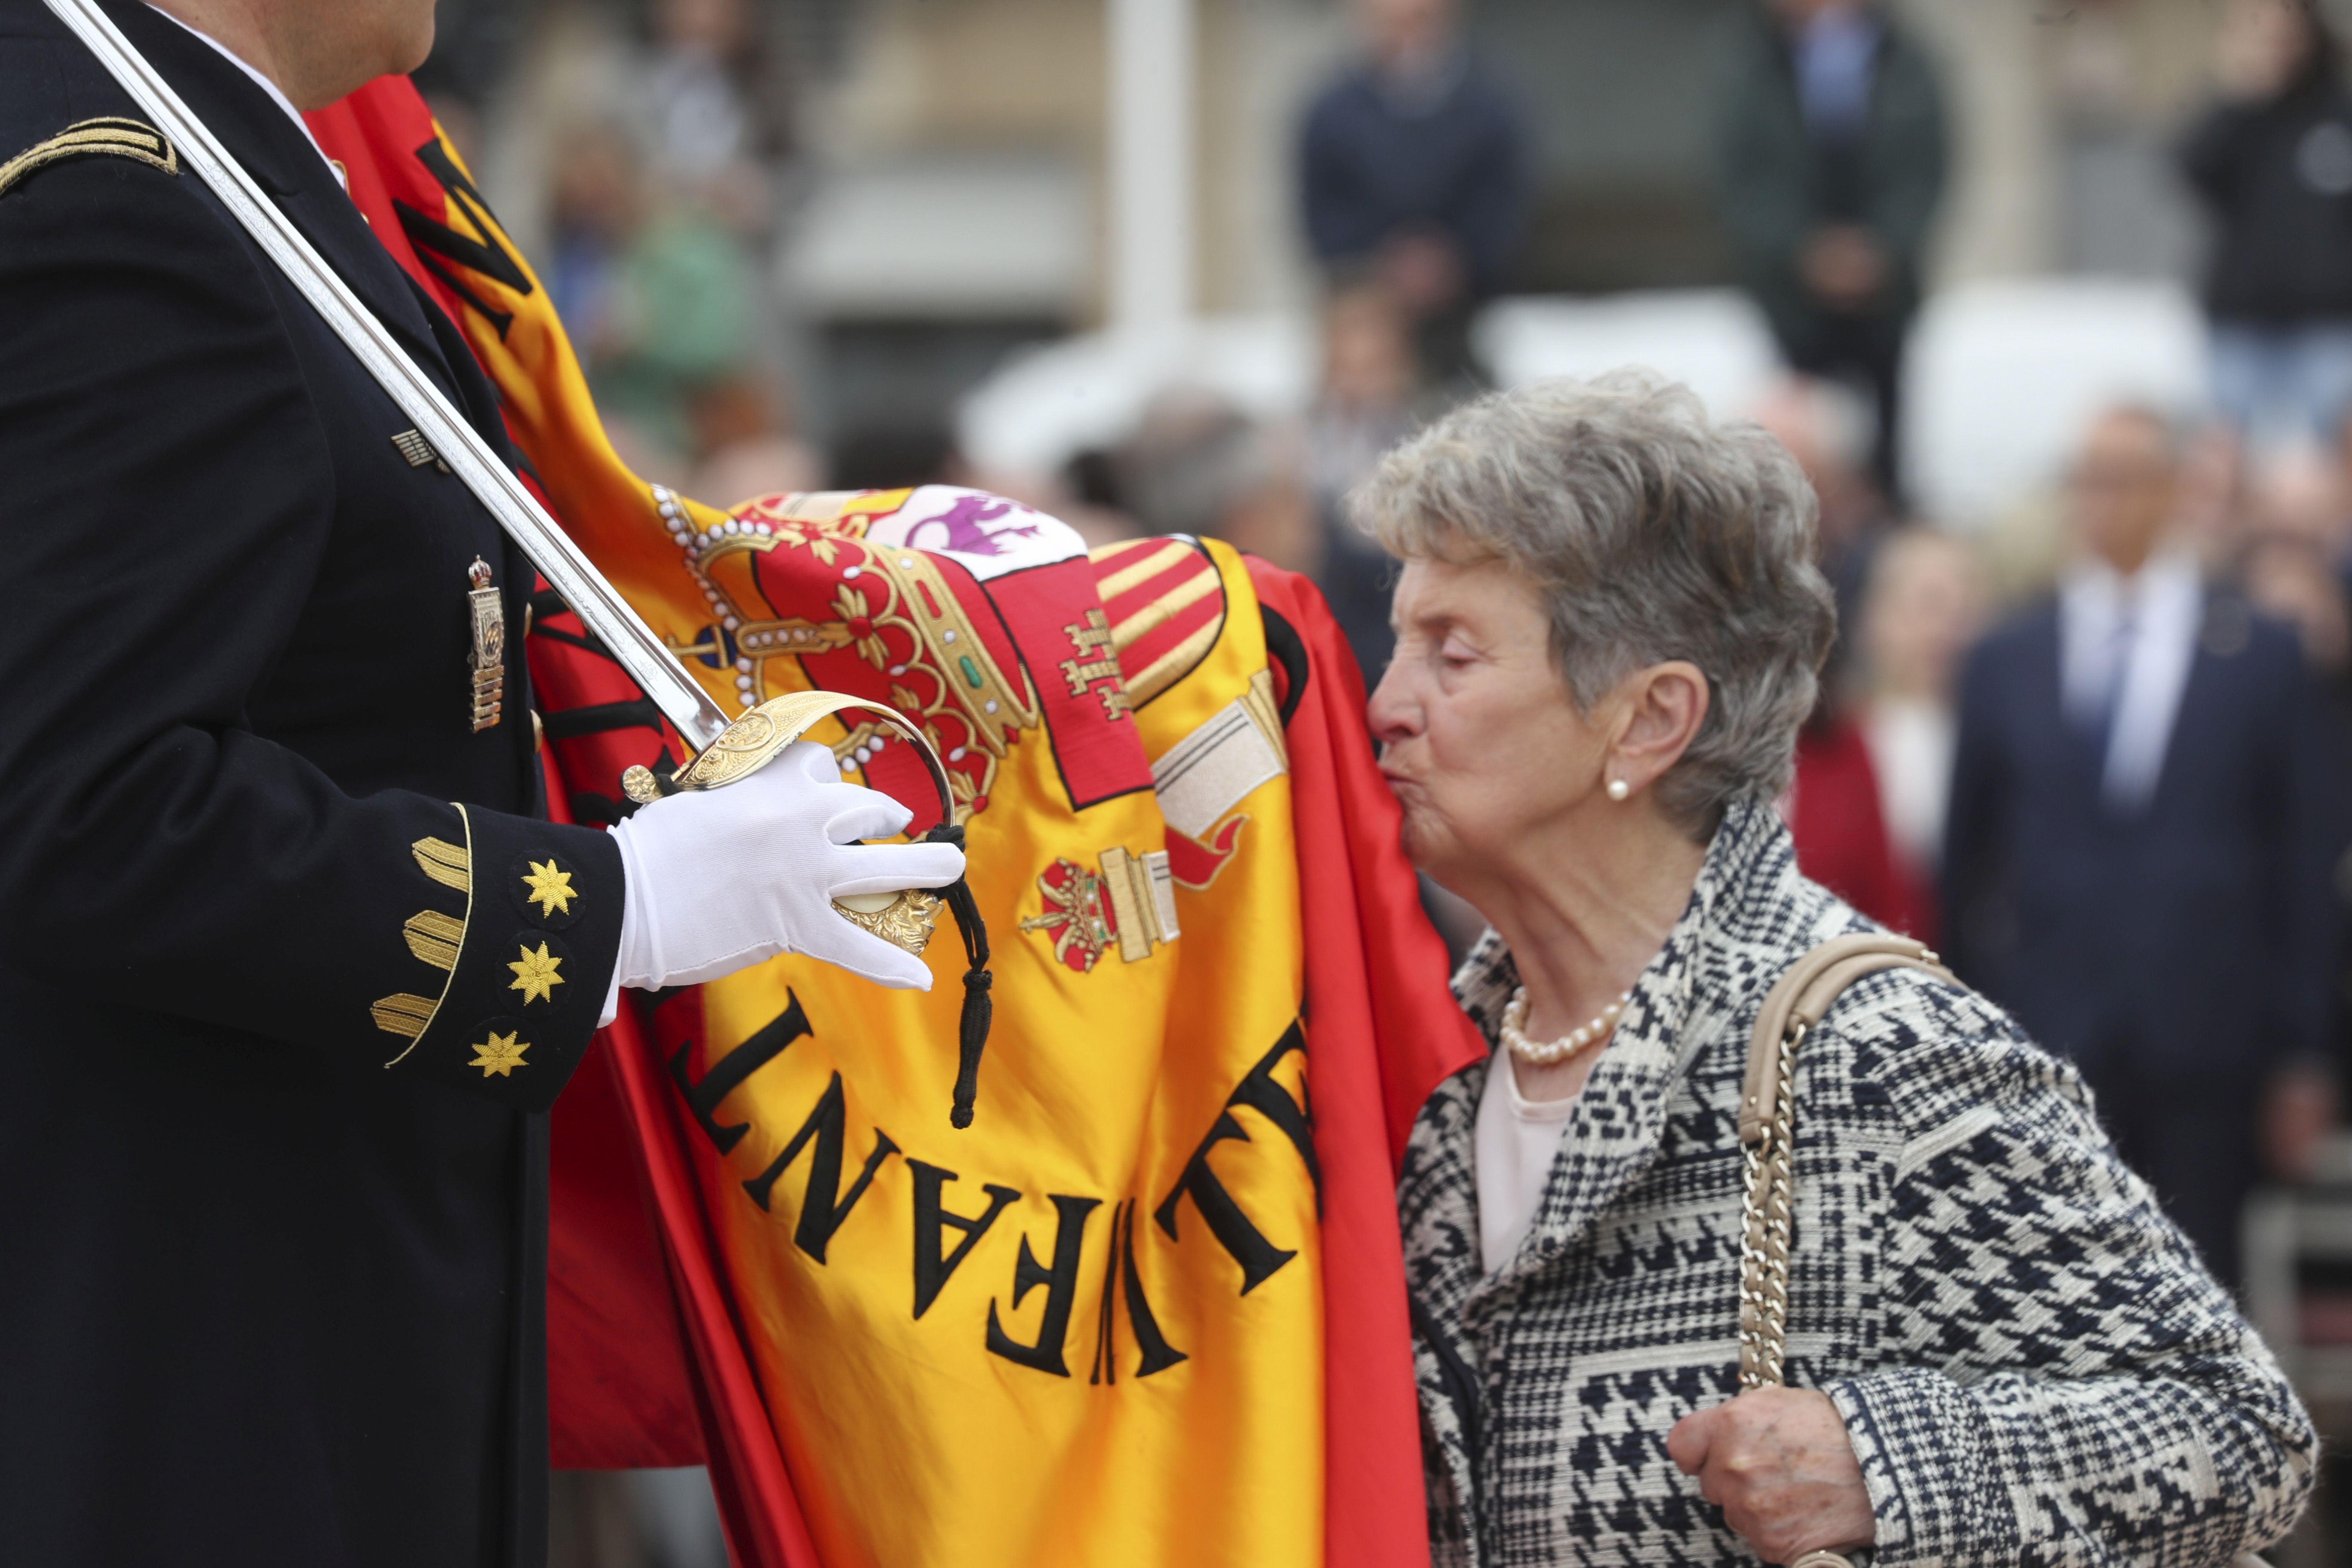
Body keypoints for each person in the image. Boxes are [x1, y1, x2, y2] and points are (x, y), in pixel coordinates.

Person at [0, 0, 962, 1561]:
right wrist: (609, 913)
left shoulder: (211, 157)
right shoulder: (114, 194)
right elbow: (83, 807)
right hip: (200, 1366)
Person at [1364, 373, 2314, 1565]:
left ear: (1651, 720)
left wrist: (1880, 1464)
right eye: (1398, 643)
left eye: (1450, 656)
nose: (1386, 705)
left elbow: (2233, 1430)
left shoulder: (1881, 1053)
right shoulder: (1435, 1067)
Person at [1943, 404, 2340, 1288]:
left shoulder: (2261, 653)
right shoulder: (2009, 656)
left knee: (2202, 1286)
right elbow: (1966, 862)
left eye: (2126, 479)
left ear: (2175, 492)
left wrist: (2303, 1053)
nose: (2104, 502)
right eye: (2088, 480)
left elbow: (2302, 868)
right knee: (2055, 1295)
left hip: (2208, 1038)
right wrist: (1968, 1037)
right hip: (2051, 1040)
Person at [1714, 0, 1948, 500]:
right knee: (1797, 441)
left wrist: (1881, 249)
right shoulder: (1753, 68)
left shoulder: (1905, 66)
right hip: (1793, 303)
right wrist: (1804, 251)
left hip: (1886, 302)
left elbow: (1926, 168)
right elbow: (1742, 178)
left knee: (1888, 450)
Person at [1298, 0, 1525, 387]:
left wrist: (1451, 260)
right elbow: (1321, 213)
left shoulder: (1489, 108)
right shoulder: (1331, 114)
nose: (1405, 37)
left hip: (1460, 322)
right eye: (1391, 22)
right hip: (1365, 314)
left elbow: (1504, 204)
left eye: (1418, 19)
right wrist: (1380, 264)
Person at [2180, 0, 2352, 452]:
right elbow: (2191, 169)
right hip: (2241, 326)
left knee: (2334, 462)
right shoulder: (2238, 118)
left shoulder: (2337, 115)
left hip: (2328, 326)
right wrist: (2241, 93)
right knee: (2227, 460)